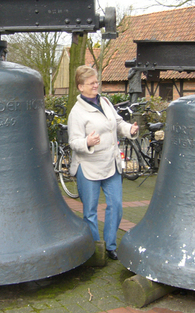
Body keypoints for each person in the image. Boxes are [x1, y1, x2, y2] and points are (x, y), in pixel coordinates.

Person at [67, 65, 138, 260]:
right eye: (91, 83)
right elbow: (74, 142)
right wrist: (87, 142)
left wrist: (129, 129)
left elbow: (117, 123)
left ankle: (110, 245)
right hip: (88, 167)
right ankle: (95, 248)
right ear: (80, 87)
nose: (95, 85)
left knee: (116, 205)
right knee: (89, 211)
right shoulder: (77, 113)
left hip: (111, 164)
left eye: (96, 82)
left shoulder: (105, 102)